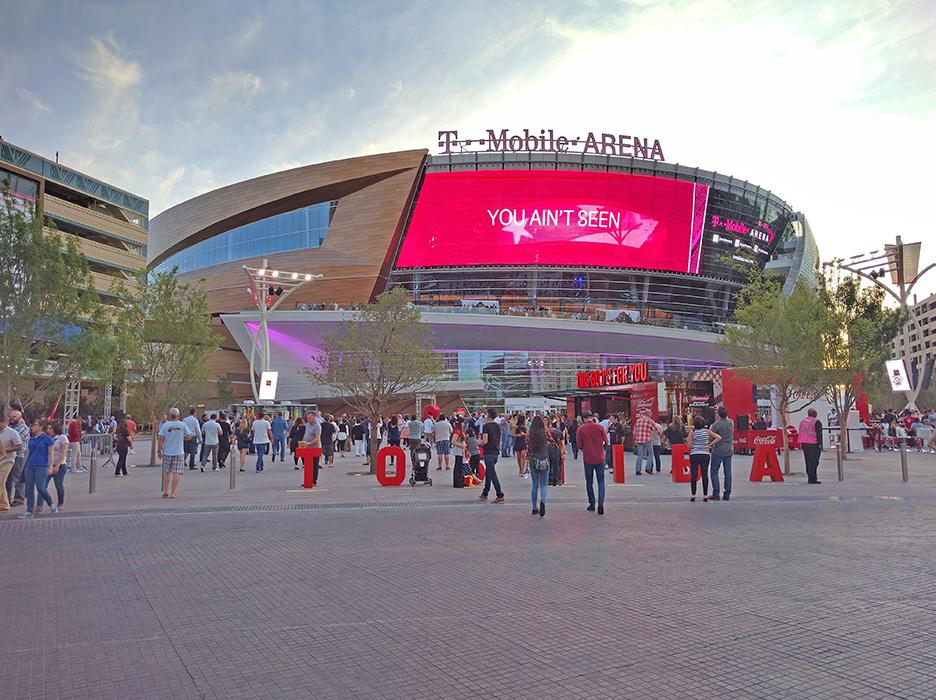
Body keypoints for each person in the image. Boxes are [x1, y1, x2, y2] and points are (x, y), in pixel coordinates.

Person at [18, 419, 57, 518]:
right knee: (29, 488)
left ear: (41, 427)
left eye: (35, 425)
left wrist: (50, 466)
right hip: (30, 466)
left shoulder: (47, 439)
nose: (32, 427)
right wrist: (24, 465)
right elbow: (28, 453)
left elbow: (51, 454)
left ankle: (50, 502)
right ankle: (29, 510)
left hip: (41, 466)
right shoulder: (31, 439)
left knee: (41, 487)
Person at [576, 412, 607, 514]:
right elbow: (606, 441)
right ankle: (601, 503)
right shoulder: (600, 427)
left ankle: (592, 504)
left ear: (584, 419)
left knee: (589, 482)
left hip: (588, 459)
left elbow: (579, 445)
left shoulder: (580, 429)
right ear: (592, 418)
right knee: (601, 481)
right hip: (600, 458)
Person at [158, 408, 191, 499]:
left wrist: (159, 450)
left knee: (166, 472)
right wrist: (181, 438)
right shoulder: (182, 425)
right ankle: (173, 492)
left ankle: (165, 491)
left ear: (169, 416)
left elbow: (161, 438)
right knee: (177, 472)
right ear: (178, 415)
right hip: (179, 452)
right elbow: (189, 437)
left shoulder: (165, 425)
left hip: (167, 452)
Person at [687, 415, 721, 502]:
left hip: (694, 454)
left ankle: (693, 495)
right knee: (704, 474)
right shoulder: (707, 431)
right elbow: (718, 437)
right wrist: (709, 445)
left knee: (694, 475)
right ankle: (705, 495)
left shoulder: (692, 432)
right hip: (705, 454)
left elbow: (689, 445)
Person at [478, 408, 505, 503]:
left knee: (492, 473)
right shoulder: (498, 426)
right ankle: (485, 493)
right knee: (488, 472)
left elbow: (485, 441)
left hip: (488, 452)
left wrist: (478, 442)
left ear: (488, 416)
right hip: (495, 452)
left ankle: (499, 494)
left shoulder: (486, 426)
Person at [708, 407, 734, 501]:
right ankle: (727, 492)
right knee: (728, 472)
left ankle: (716, 493)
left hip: (718, 450)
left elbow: (711, 437)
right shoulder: (731, 422)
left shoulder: (715, 424)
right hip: (728, 449)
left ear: (718, 414)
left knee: (714, 471)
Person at [0, 411, 24, 513]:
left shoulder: (12, 432)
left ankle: (15, 499)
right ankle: (5, 504)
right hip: (1, 459)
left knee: (1, 481)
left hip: (8, 460)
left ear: (4, 422)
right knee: (2, 483)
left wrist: (6, 450)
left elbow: (19, 445)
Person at [5, 410, 30, 507]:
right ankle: (6, 498)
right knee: (8, 477)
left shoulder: (23, 428)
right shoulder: (10, 427)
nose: (11, 418)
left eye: (14, 416)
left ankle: (19, 498)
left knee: (17, 477)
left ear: (20, 418)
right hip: (9, 455)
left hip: (19, 455)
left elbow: (13, 440)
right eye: (10, 416)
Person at [527, 415, 550, 517]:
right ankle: (543, 502)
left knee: (535, 485)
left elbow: (527, 448)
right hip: (543, 460)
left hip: (533, 460)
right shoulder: (545, 433)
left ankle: (534, 507)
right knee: (544, 484)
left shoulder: (530, 434)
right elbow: (554, 444)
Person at [46, 421, 69, 510]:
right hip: (48, 464)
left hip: (60, 464)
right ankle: (44, 503)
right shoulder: (47, 438)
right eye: (48, 429)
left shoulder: (62, 438)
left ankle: (60, 503)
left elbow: (63, 453)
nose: (49, 430)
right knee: (42, 485)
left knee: (58, 484)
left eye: (50, 428)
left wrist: (58, 465)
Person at [633, 409, 663, 475]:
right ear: (648, 414)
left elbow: (634, 431)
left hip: (639, 440)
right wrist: (661, 435)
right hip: (647, 440)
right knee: (650, 454)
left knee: (640, 455)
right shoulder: (650, 421)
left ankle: (638, 470)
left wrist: (635, 439)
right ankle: (648, 468)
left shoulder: (638, 421)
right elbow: (656, 430)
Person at [799, 408, 824, 484]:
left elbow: (800, 432)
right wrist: (820, 444)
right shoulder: (816, 421)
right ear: (815, 414)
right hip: (813, 444)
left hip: (804, 443)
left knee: (808, 461)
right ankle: (813, 479)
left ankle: (810, 478)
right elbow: (819, 434)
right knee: (814, 462)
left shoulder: (803, 421)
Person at [301, 411, 322, 485]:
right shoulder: (308, 424)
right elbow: (306, 434)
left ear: (314, 417)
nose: (308, 420)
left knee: (314, 465)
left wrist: (309, 443)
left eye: (309, 418)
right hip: (306, 447)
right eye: (307, 418)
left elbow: (317, 438)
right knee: (307, 464)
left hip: (314, 447)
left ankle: (313, 480)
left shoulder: (317, 426)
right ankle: (307, 479)